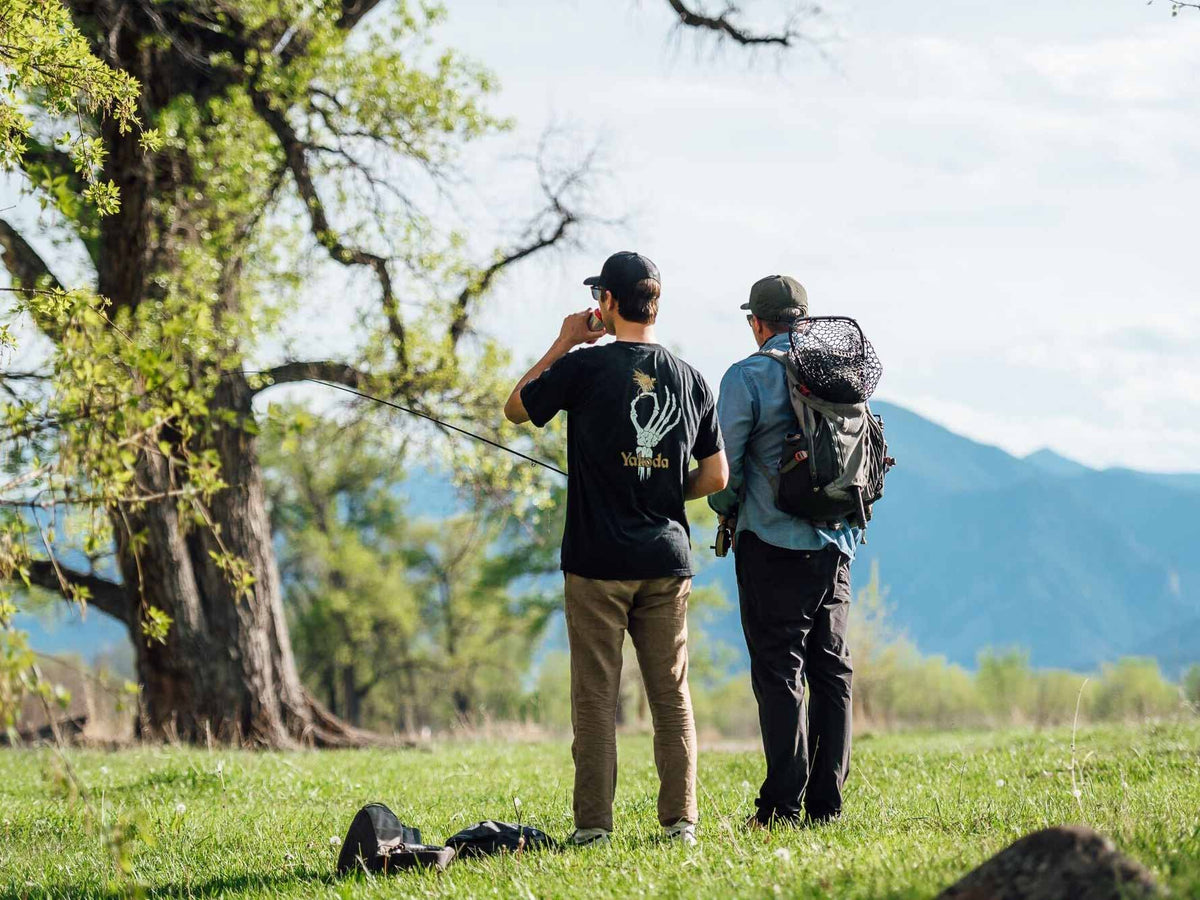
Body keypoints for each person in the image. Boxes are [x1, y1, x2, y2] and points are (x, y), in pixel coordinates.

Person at [504, 251, 729, 848]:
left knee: (596, 699)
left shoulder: (585, 368)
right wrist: (661, 485)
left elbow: (517, 407)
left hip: (597, 562)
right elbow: (716, 477)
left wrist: (563, 343)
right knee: (671, 695)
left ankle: (594, 829)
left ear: (606, 302)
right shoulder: (691, 378)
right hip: (665, 560)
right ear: (655, 304)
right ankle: (681, 822)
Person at [707, 275, 858, 828]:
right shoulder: (839, 372)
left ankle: (779, 806)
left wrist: (724, 506)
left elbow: (725, 470)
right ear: (806, 320)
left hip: (772, 543)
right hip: (839, 541)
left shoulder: (746, 375)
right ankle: (827, 804)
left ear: (758, 323)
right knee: (832, 672)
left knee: (779, 671)